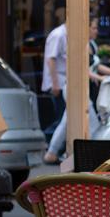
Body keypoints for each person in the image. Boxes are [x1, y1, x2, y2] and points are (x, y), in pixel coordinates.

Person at [43, 15, 110, 164]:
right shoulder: (72, 42)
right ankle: (93, 154)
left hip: (80, 87)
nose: (96, 31)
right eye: (94, 27)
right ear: (85, 28)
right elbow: (78, 68)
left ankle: (52, 152)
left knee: (67, 120)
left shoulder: (90, 45)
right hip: (72, 87)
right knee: (91, 121)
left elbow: (95, 65)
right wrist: (101, 78)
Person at [41, 8, 68, 141]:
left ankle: (53, 147)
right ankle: (48, 143)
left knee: (62, 118)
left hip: (64, 82)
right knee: (61, 118)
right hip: (58, 83)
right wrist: (55, 84)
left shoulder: (67, 34)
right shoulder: (58, 35)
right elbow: (50, 59)